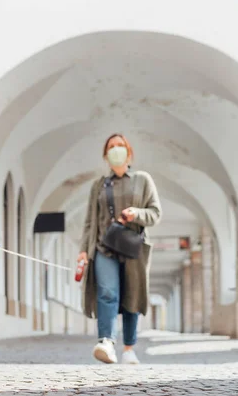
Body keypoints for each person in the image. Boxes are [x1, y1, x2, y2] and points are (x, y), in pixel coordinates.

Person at [77, 133, 162, 364]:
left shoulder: (143, 180)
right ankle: (106, 341)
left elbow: (155, 213)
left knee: (132, 295)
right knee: (107, 292)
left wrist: (137, 214)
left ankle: (129, 348)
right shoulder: (99, 185)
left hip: (133, 248)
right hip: (104, 246)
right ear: (106, 155)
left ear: (129, 152)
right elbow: (89, 220)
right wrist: (84, 249)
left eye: (120, 146)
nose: (116, 150)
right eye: (111, 147)